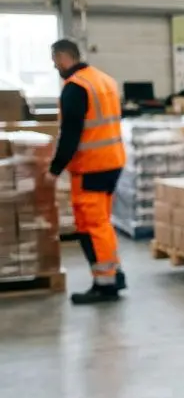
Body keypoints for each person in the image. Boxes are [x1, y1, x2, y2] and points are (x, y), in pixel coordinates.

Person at [45, 39, 127, 305]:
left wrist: (54, 169)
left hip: (91, 166)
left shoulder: (75, 87)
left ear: (63, 57)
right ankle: (114, 274)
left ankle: (105, 285)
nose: (54, 66)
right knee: (101, 222)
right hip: (112, 162)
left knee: (92, 226)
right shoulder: (104, 80)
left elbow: (71, 134)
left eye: (54, 60)